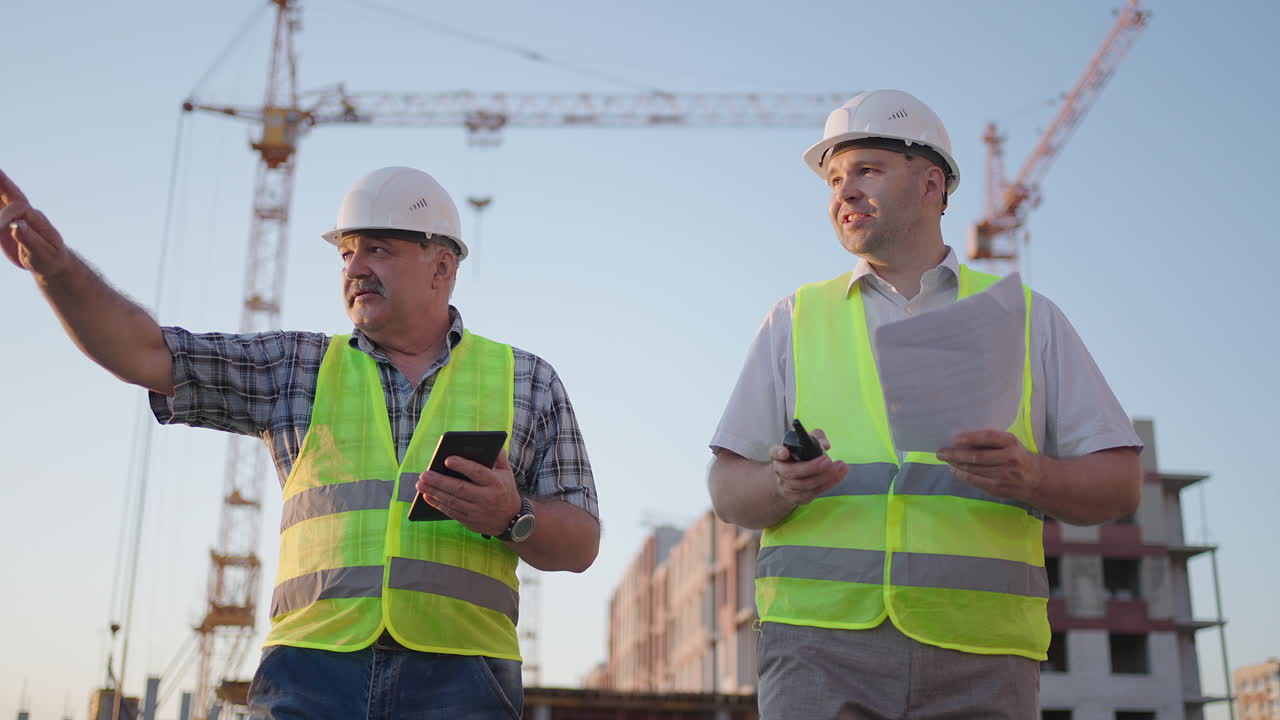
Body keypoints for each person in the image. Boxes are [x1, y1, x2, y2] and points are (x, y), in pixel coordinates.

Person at [1, 165, 600, 719]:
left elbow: (581, 543)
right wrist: (58, 270)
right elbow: (144, 352)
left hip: (462, 680)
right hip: (310, 674)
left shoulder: (526, 381)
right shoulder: (296, 368)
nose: (355, 268)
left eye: (378, 249)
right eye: (346, 253)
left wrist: (512, 515)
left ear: (441, 268)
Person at [707, 90, 1143, 719]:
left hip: (982, 655)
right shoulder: (794, 319)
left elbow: (1120, 485)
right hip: (818, 651)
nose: (845, 192)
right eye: (834, 179)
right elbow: (726, 489)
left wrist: (1033, 475)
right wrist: (781, 484)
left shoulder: (1028, 318)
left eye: (867, 170)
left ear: (932, 184)